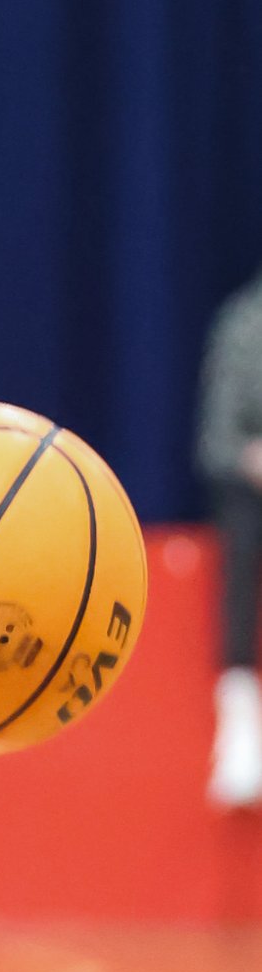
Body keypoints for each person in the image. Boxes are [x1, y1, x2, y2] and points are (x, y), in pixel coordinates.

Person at [197, 267, 262, 808]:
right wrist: (253, 457)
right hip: (253, 487)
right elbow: (217, 438)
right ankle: (240, 719)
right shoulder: (244, 322)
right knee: (242, 530)